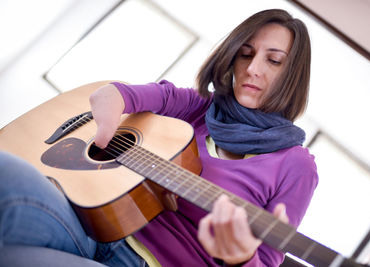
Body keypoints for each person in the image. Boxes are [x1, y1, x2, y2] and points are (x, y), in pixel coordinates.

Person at [0, 9, 317, 267]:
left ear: (293, 75)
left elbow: (264, 262)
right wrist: (111, 99)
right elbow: (131, 95)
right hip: (91, 225)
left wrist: (241, 257)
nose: (252, 69)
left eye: (273, 60)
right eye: (245, 54)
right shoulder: (201, 106)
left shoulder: (296, 165)